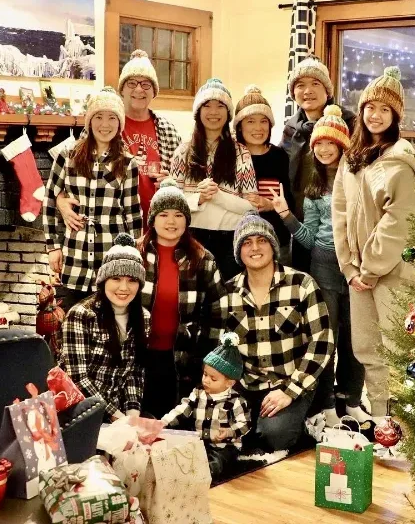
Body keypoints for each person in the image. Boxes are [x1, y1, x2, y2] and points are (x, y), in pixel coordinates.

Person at [333, 66, 415, 426]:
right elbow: (340, 211)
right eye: (370, 107)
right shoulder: (352, 158)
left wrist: (369, 268)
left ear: (395, 116)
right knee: (367, 349)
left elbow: (399, 221)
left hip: (391, 271)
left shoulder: (400, 161)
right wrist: (349, 267)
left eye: (385, 110)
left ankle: (404, 426)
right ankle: (383, 422)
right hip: (358, 274)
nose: (376, 115)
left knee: (396, 347)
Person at [271, 105, 364, 430]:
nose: (324, 150)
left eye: (331, 143)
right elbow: (309, 238)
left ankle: (352, 400)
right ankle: (326, 405)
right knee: (327, 338)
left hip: (357, 265)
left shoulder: (357, 180)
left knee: (356, 337)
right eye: (319, 144)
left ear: (342, 145)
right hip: (323, 264)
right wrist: (286, 215)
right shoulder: (313, 188)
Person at [221, 212, 334, 451]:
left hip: (291, 383)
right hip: (248, 385)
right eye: (247, 242)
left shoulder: (302, 284)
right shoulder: (228, 292)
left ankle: (307, 421)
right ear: (239, 252)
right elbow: (222, 348)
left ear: (273, 247)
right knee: (222, 432)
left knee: (274, 436)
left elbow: (322, 342)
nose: (255, 248)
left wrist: (290, 392)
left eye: (262, 240)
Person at [55, 49, 182, 234]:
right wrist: (60, 201)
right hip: (113, 229)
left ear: (154, 91)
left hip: (160, 229)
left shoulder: (168, 131)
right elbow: (70, 172)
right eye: (132, 83)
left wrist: (171, 182)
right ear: (122, 89)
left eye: (146, 84)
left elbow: (183, 183)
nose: (139, 89)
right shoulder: (103, 126)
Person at [43, 87, 142, 307]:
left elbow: (133, 213)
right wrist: (53, 247)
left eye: (111, 118)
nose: (105, 124)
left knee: (109, 322)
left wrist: (134, 254)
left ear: (119, 123)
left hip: (111, 259)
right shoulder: (67, 155)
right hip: (74, 257)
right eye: (98, 117)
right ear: (89, 121)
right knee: (71, 319)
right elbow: (50, 200)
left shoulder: (127, 162)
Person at [138, 178, 226, 419]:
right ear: (152, 219)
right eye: (164, 214)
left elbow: (218, 313)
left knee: (174, 424)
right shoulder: (136, 254)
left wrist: (205, 360)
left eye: (178, 215)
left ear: (187, 220)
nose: (171, 221)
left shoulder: (203, 259)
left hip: (184, 360)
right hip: (139, 357)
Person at [170, 78, 259, 280]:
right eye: (207, 105)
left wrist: (218, 196)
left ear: (228, 113)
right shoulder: (183, 151)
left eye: (220, 106)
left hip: (231, 238)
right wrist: (198, 198)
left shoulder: (241, 153)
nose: (213, 112)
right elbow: (171, 201)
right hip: (191, 236)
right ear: (198, 112)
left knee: (228, 293)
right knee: (193, 293)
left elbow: (251, 206)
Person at [60, 233, 150, 421]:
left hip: (118, 412)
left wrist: (132, 415)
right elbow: (78, 378)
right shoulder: (81, 315)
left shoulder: (143, 317)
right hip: (79, 413)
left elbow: (135, 372)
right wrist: (116, 417)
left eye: (132, 280)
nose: (124, 287)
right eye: (116, 278)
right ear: (103, 280)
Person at [280, 56, 355, 272]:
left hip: (338, 227)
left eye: (315, 83)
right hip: (302, 222)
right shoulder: (291, 129)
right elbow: (281, 169)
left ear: (327, 91)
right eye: (300, 85)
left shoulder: (348, 123)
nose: (307, 91)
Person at [161, 332, 250, 480]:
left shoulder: (236, 401)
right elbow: (182, 409)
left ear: (229, 383)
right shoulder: (198, 393)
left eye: (213, 379)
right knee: (181, 454)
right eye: (205, 374)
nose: (206, 380)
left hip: (223, 447)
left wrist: (230, 432)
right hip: (199, 442)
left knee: (218, 461)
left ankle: (206, 473)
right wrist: (163, 422)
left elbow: (245, 424)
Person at [233, 85, 293, 265]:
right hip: (241, 243)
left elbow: (289, 199)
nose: (258, 128)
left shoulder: (280, 156)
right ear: (239, 126)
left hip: (278, 241)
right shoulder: (231, 156)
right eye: (250, 121)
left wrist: (270, 205)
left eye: (264, 121)